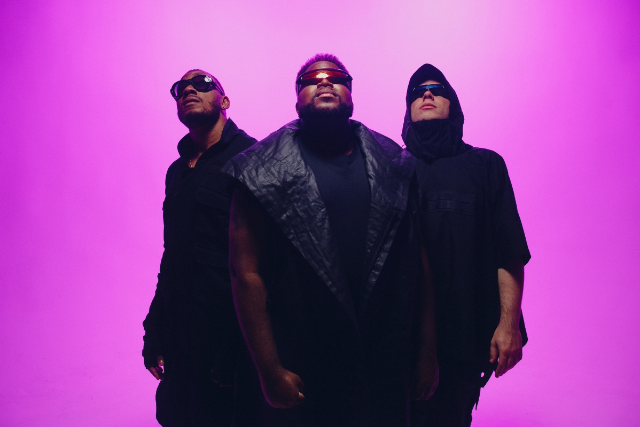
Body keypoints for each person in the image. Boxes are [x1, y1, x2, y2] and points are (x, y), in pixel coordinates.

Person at [222, 54, 439, 427]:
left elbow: (419, 264)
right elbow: (245, 274)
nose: (324, 80)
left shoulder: (396, 164)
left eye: (336, 76)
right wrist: (269, 370)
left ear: (351, 94)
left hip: (382, 359)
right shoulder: (258, 170)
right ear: (297, 98)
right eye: (311, 79)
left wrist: (427, 352)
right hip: (302, 359)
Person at [403, 64, 530, 427]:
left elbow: (509, 251)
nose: (427, 94)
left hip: (464, 338)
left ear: (453, 105)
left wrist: (509, 325)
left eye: (437, 89)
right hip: (402, 339)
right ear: (408, 109)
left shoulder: (485, 165)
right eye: (417, 91)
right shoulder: (392, 167)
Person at [142, 69, 256, 426]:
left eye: (203, 83)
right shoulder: (177, 171)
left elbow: (267, 262)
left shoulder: (252, 158)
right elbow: (173, 255)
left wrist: (238, 345)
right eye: (181, 87)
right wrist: (155, 328)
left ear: (224, 101)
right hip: (181, 335)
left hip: (230, 338)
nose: (189, 89)